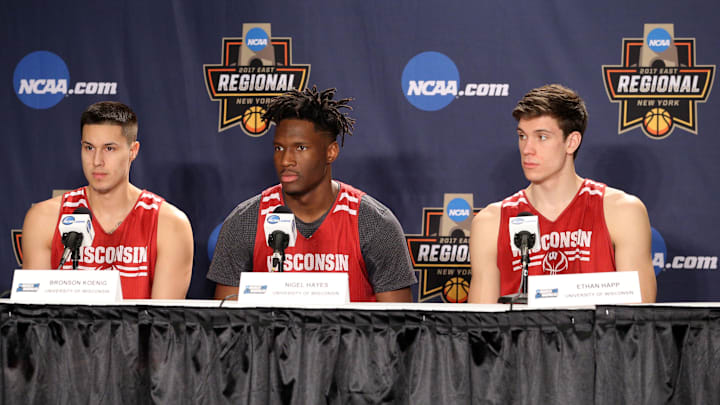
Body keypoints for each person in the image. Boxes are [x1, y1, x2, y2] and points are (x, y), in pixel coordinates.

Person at [208, 86, 417, 302]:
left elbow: (398, 328)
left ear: (330, 152)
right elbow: (227, 327)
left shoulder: (373, 223)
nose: (286, 160)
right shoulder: (245, 221)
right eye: (279, 148)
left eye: (300, 148)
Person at [468, 84, 656, 303]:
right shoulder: (491, 222)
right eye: (522, 136)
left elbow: (638, 322)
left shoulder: (622, 212)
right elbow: (481, 326)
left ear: (571, 142)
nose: (527, 148)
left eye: (542, 137)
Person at [21, 101, 193, 299]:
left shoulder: (170, 225)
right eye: (89, 148)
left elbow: (162, 325)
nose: (96, 161)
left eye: (109, 149)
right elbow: (36, 319)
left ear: (133, 151)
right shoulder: (44, 219)